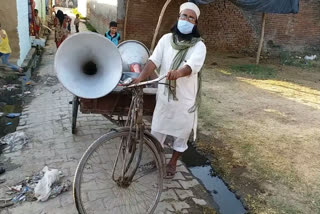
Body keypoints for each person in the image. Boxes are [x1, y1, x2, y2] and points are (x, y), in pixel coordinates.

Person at [132, 2, 206, 178]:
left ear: (195, 23)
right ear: (178, 18)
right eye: (183, 16)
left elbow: (191, 66)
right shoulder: (166, 39)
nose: (186, 20)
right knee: (157, 130)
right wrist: (140, 78)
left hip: (185, 98)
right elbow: (153, 61)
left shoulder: (199, 46)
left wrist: (178, 73)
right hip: (165, 96)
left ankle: (172, 162)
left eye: (191, 18)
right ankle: (157, 157)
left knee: (181, 134)